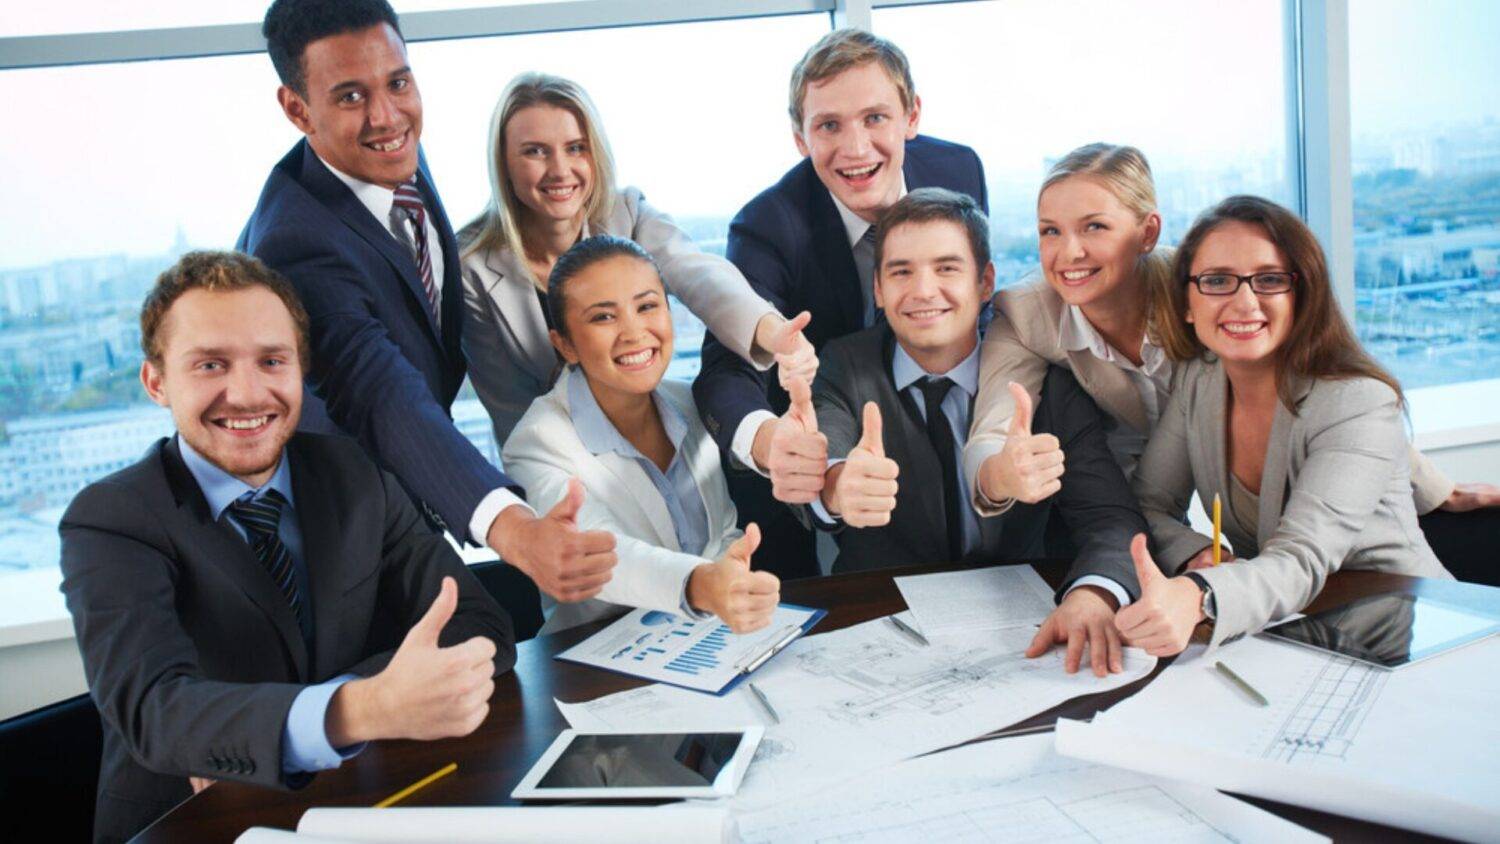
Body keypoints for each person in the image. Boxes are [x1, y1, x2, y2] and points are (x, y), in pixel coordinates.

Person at [59, 252, 514, 843]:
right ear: (156, 381)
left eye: (272, 361)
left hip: (359, 804)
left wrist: (264, 726)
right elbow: (156, 711)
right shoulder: (110, 519)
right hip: (189, 823)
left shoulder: (354, 471)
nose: (246, 394)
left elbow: (478, 624)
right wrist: (364, 708)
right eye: (210, 365)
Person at [964, 143, 1497, 580]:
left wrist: (1433, 486)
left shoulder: (1209, 287)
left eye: (1094, 228)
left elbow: (1330, 383)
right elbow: (992, 430)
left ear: (1148, 233)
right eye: (1050, 230)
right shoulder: (1029, 313)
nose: (1068, 252)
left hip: (1288, 514)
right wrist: (999, 475)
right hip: (1142, 510)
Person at [239, 0, 616, 612]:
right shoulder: (297, 244)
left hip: (407, 500)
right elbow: (381, 392)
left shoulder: (391, 156)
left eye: (398, 82)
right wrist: (515, 530)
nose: (387, 116)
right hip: (334, 550)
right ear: (297, 109)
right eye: (351, 97)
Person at [807, 189, 1147, 676]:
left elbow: (1112, 518)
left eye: (947, 268)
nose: (923, 291)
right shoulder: (844, 365)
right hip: (882, 630)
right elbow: (824, 459)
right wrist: (840, 485)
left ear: (986, 281)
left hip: (1028, 630)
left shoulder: (1045, 376)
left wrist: (1093, 594)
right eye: (901, 272)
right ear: (878, 289)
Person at [693, 28, 988, 578]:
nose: (855, 149)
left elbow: (970, 295)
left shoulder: (959, 172)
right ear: (801, 138)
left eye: (875, 118)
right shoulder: (769, 227)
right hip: (814, 439)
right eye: (829, 125)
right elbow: (725, 371)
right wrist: (769, 442)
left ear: (912, 116)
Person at [1118, 196, 1451, 656]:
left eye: (1270, 280)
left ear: (1302, 296)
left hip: (1412, 633)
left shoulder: (1359, 402)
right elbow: (1148, 500)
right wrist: (1193, 551)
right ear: (1187, 304)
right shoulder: (1200, 379)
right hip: (1293, 628)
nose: (1244, 301)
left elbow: (1300, 558)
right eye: (1217, 281)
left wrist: (1199, 593)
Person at [460, 72, 817, 448]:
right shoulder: (472, 267)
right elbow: (511, 409)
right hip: (555, 456)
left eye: (576, 148)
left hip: (648, 432)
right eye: (535, 151)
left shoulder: (625, 212)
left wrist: (773, 333)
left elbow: (698, 274)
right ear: (503, 161)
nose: (560, 170)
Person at [503, 237, 781, 634]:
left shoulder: (688, 402)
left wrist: (731, 579)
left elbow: (722, 532)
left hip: (707, 638)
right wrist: (703, 585)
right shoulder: (536, 442)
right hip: (597, 656)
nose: (634, 332)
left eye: (647, 306)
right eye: (603, 317)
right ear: (565, 344)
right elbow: (602, 555)